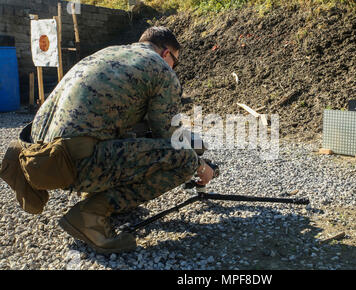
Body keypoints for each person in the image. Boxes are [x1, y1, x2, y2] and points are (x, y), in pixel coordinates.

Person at [1, 26, 214, 254]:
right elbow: (168, 136)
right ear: (165, 53)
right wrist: (199, 164)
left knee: (122, 134)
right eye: (176, 61)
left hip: (37, 147)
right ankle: (91, 214)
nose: (174, 67)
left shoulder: (106, 53)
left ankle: (38, 166)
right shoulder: (161, 69)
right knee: (183, 159)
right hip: (70, 163)